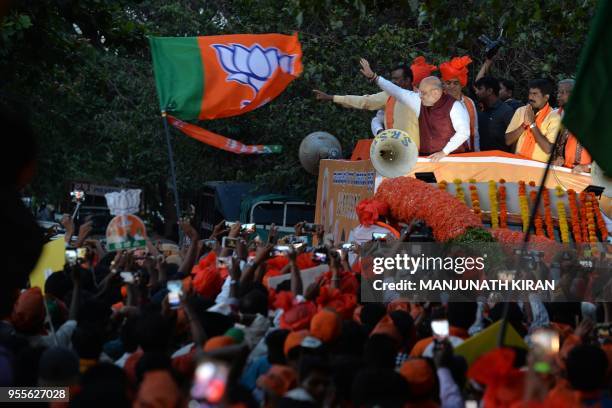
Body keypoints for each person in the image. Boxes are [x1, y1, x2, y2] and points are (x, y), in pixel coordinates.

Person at [359, 58, 470, 161]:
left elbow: (464, 132)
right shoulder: (419, 100)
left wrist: (444, 152)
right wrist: (374, 77)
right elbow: (397, 91)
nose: (419, 95)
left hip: (453, 158)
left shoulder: (455, 106)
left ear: (435, 93)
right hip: (427, 158)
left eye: (423, 93)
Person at [313, 63, 420, 149]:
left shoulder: (420, 97)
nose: (393, 82)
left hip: (420, 153)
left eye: (397, 79)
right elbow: (364, 101)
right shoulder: (388, 96)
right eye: (392, 79)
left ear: (407, 80)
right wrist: (332, 97)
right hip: (394, 152)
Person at [505, 79, 561, 162]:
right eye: (530, 93)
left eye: (535, 94)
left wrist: (532, 124)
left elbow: (548, 149)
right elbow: (508, 141)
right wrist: (524, 125)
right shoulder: (521, 111)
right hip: (517, 164)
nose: (530, 97)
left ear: (546, 97)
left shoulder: (555, 116)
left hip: (538, 169)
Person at [440, 56, 480, 151]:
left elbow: (474, 132)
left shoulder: (469, 103)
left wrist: (476, 153)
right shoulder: (438, 102)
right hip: (443, 153)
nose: (452, 86)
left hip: (467, 153)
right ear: (444, 85)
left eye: (456, 83)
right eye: (448, 83)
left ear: (462, 84)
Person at [552, 79, 592, 173]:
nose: (558, 95)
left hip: (587, 178)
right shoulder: (557, 115)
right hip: (564, 173)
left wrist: (587, 167)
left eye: (562, 92)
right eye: (558, 92)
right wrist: (559, 158)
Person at [474, 76, 514, 152]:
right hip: (480, 158)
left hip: (501, 160)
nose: (477, 92)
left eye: (480, 89)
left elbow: (513, 140)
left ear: (489, 91)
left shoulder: (506, 111)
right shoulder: (477, 108)